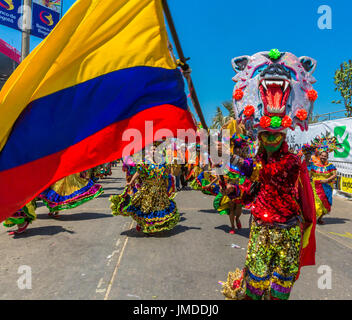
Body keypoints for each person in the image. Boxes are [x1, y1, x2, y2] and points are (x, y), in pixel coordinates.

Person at [110, 144, 180, 234]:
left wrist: (168, 185)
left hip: (160, 190)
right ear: (148, 152)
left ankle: (155, 225)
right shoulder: (145, 162)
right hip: (148, 189)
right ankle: (144, 224)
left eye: (155, 149)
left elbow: (166, 175)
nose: (154, 151)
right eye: (152, 150)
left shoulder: (161, 162)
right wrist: (131, 182)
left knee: (158, 208)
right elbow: (138, 172)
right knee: (146, 208)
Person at [39, 172, 103, 217]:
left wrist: (83, 175)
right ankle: (53, 210)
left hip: (65, 177)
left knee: (58, 194)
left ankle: (55, 211)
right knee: (53, 194)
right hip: (58, 177)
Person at [310, 150, 337, 225]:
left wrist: (327, 180)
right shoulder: (314, 165)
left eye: (325, 156)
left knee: (326, 204)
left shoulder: (330, 166)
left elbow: (334, 175)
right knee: (317, 205)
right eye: (322, 155)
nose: (323, 157)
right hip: (316, 188)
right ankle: (313, 219)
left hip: (327, 188)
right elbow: (309, 176)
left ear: (327, 157)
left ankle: (320, 218)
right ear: (319, 156)